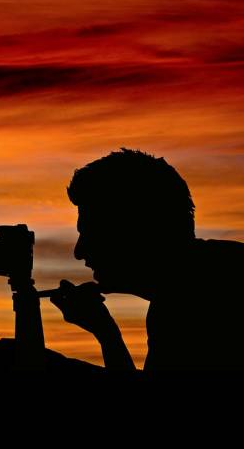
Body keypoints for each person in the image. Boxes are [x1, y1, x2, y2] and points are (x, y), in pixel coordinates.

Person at [50, 148, 244, 370]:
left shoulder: (200, 300)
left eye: (93, 233)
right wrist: (105, 332)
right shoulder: (179, 293)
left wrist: (106, 334)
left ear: (136, 230)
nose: (79, 252)